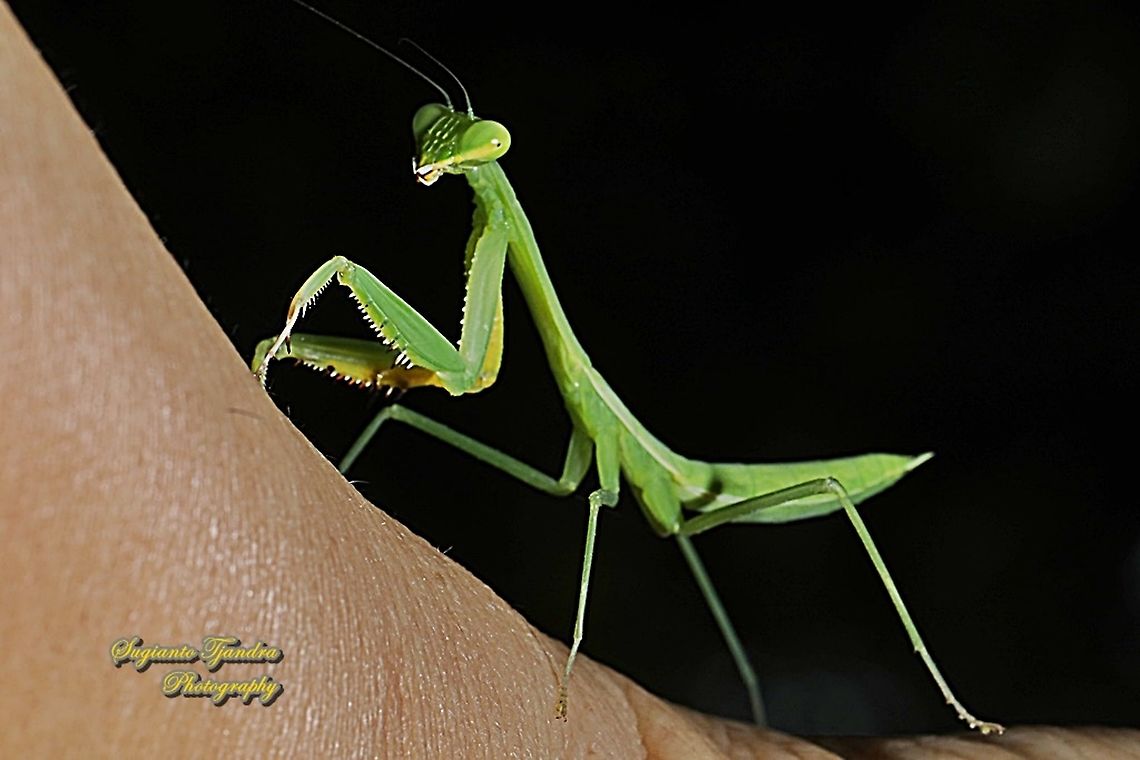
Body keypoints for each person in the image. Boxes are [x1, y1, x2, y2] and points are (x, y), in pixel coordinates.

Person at [1, 6, 1136, 757]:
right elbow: (462, 372)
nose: (441, 159)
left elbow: (474, 376)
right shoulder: (476, 206)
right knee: (409, 429)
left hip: (698, 484)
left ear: (490, 158)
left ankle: (955, 701)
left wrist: (568, 667)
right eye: (440, 145)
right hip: (632, 493)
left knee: (832, 497)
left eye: (461, 147)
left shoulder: (508, 227)